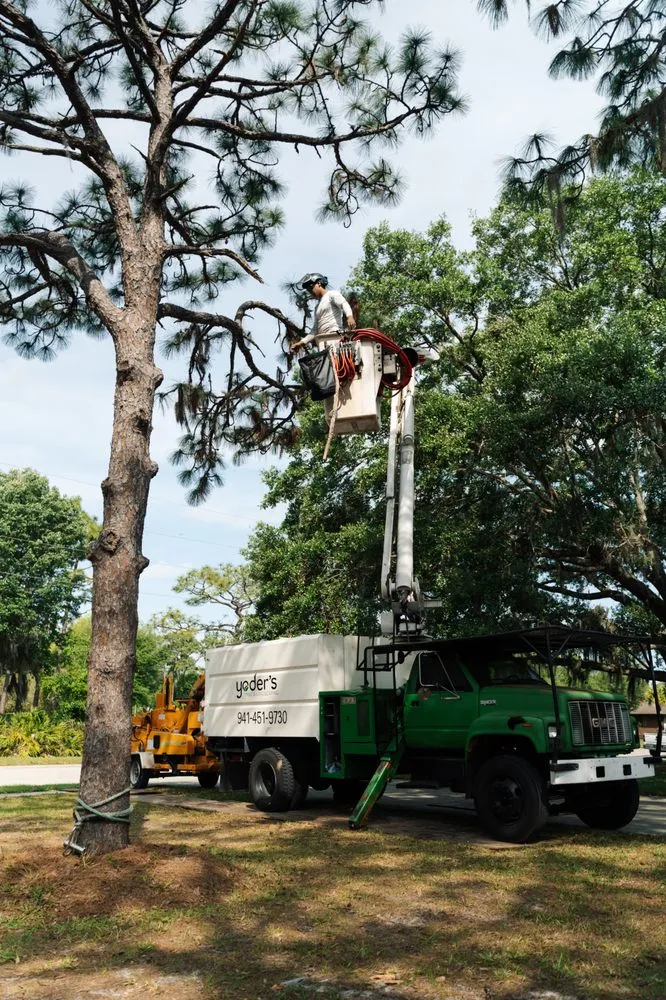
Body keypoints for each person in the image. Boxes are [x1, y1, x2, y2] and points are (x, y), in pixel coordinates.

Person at [290, 272, 356, 352]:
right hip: (323, 341)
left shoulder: (331, 294)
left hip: (334, 335)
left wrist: (350, 316)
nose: (310, 291)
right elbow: (315, 330)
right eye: (308, 290)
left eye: (311, 287)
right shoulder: (317, 307)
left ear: (319, 283)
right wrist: (301, 343)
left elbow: (343, 304)